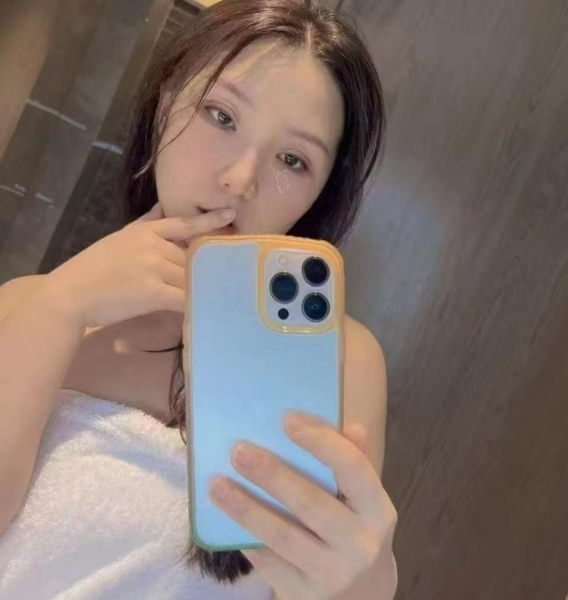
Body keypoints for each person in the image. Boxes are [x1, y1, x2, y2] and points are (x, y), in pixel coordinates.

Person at [0, 0, 398, 598]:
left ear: (320, 192)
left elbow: (329, 581)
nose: (240, 178)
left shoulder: (340, 355)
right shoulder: (29, 305)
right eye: (221, 115)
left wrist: (367, 583)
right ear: (166, 105)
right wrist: (62, 307)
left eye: (293, 160)